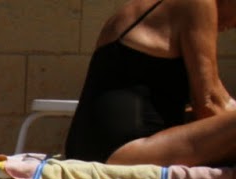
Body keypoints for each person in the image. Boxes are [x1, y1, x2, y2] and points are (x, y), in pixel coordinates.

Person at [65, 0, 236, 165]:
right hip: (123, 151)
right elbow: (210, 104)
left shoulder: (141, 8)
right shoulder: (199, 3)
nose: (232, 27)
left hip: (84, 148)